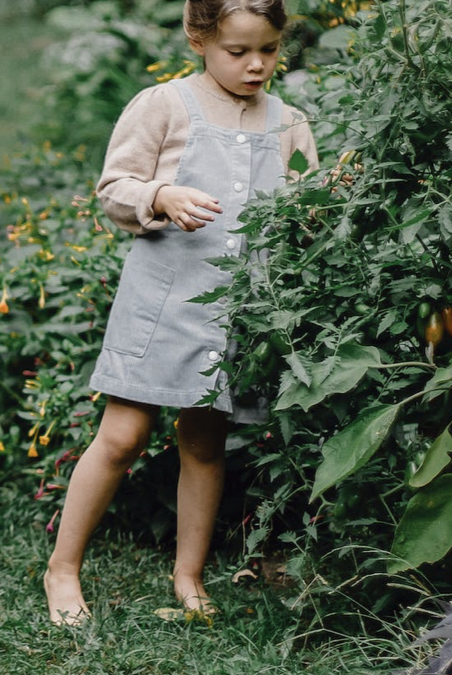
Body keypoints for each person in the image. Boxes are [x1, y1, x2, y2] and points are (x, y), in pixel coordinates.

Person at [44, 0, 318, 626]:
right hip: (164, 297)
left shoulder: (289, 121)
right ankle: (62, 568)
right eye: (237, 51)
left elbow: (304, 206)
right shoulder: (165, 105)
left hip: (242, 306)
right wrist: (160, 195)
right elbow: (114, 189)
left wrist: (324, 205)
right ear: (199, 39)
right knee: (123, 435)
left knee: (204, 438)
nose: (255, 66)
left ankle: (188, 575)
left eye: (268, 50)